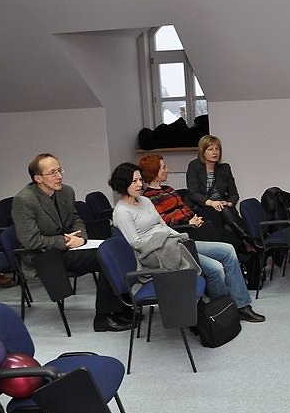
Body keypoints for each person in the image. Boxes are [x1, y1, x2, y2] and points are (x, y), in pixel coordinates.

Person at [110, 163, 265, 323]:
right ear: (122, 184)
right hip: (159, 254)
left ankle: (242, 306)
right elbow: (136, 245)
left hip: (175, 242)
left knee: (228, 250)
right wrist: (167, 240)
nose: (139, 184)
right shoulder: (121, 212)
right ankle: (223, 311)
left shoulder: (144, 201)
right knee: (215, 268)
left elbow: (163, 225)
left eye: (140, 180)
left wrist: (180, 238)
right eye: (134, 181)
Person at [12, 153, 132, 332]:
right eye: (52, 172)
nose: (59, 176)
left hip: (68, 248)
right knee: (104, 258)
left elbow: (76, 220)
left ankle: (124, 308)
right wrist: (64, 241)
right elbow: (30, 241)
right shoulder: (24, 200)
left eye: (59, 170)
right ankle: (104, 317)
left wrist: (81, 238)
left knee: (114, 252)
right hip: (44, 256)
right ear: (38, 178)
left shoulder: (66, 192)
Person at [185, 135, 257, 251]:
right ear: (202, 152)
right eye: (210, 149)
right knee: (226, 217)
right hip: (202, 207)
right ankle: (252, 241)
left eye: (217, 149)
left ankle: (247, 247)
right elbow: (193, 193)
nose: (215, 152)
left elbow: (234, 194)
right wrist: (211, 203)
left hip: (222, 208)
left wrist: (228, 203)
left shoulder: (224, 168)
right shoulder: (194, 166)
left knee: (227, 221)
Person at [137, 154, 217, 241]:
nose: (167, 170)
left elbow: (183, 207)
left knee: (212, 213)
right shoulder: (150, 196)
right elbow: (162, 220)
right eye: (163, 168)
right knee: (208, 228)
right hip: (179, 229)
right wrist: (187, 222)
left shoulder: (168, 189)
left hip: (190, 222)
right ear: (154, 172)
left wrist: (194, 217)